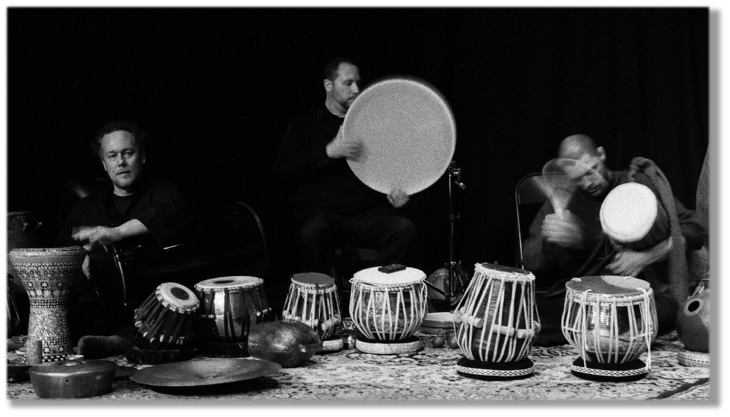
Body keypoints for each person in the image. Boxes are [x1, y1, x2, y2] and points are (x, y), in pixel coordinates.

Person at [523, 134, 705, 342]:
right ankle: (600, 329)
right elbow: (529, 263)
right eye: (577, 178)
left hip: (631, 296)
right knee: (526, 310)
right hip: (582, 297)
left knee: (667, 310)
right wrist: (548, 241)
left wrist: (646, 257)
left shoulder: (636, 184)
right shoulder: (562, 199)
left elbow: (695, 230)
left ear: (601, 154)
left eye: (591, 171)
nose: (587, 183)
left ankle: (593, 329)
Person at [276, 57, 418, 277]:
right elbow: (284, 170)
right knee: (313, 231)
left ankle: (374, 289)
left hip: (363, 214)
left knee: (403, 228)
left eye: (358, 83)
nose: (356, 90)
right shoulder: (304, 124)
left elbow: (383, 171)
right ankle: (323, 295)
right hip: (322, 213)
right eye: (348, 83)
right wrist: (328, 152)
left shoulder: (370, 126)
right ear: (328, 85)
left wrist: (393, 195)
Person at [58, 120, 192, 341]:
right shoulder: (84, 210)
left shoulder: (163, 192)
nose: (121, 162)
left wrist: (118, 232)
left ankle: (122, 342)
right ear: (104, 163)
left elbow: (173, 211)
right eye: (112, 156)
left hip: (156, 313)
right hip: (99, 317)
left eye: (128, 153)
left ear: (142, 156)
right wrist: (80, 265)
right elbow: (60, 260)